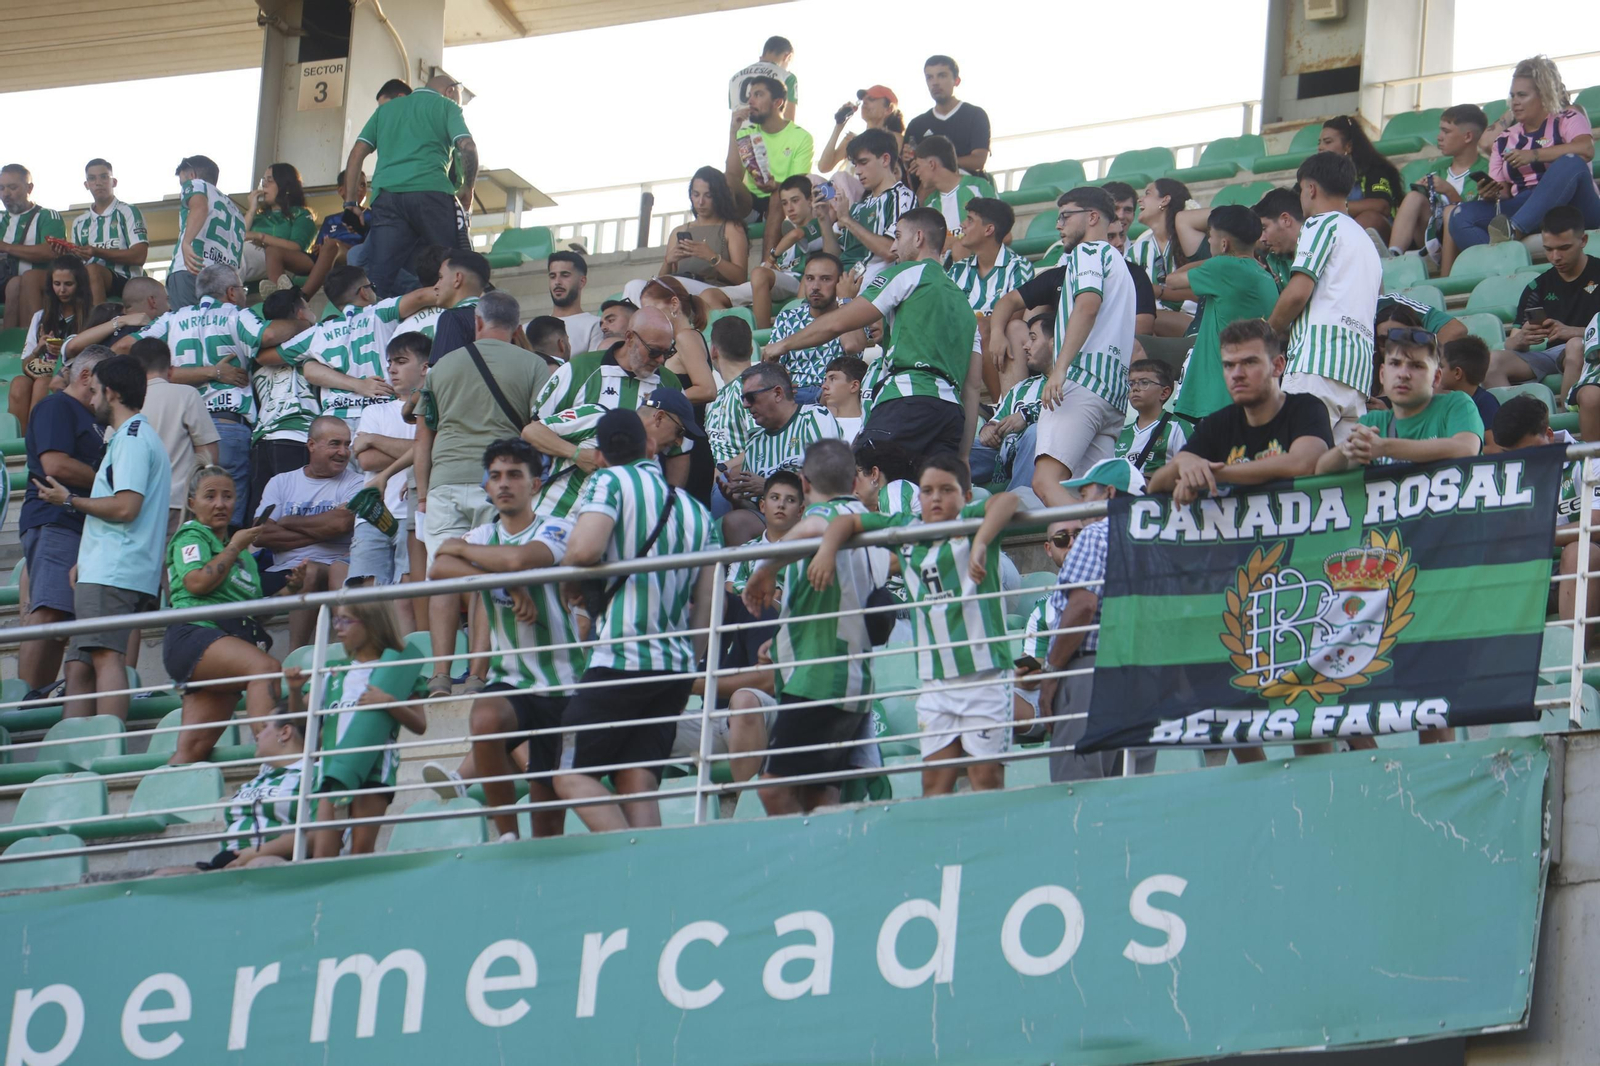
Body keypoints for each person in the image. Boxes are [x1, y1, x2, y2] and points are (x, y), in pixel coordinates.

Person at [814, 454, 1021, 794]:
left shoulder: (971, 522)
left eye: (946, 489)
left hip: (984, 677)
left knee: (986, 781)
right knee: (934, 784)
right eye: (927, 490)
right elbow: (846, 523)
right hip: (935, 682)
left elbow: (1008, 499)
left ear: (966, 497)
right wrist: (827, 550)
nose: (935, 497)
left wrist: (981, 542)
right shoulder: (907, 529)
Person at [555, 408, 718, 832]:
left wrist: (567, 579)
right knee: (637, 780)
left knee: (569, 773)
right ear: (649, 446)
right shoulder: (697, 511)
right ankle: (651, 874)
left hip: (621, 658)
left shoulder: (608, 481)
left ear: (601, 455)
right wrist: (690, 661)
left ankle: (626, 858)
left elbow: (585, 550)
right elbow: (706, 603)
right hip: (676, 667)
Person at [427, 438, 586, 841]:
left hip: (563, 684)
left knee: (548, 818)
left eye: (515, 475)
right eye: (495, 475)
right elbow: (439, 566)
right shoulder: (483, 534)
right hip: (512, 677)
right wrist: (505, 585)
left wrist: (496, 571)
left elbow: (518, 559)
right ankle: (506, 835)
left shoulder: (557, 527)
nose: (503, 484)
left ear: (536, 484)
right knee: (485, 720)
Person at [417, 291, 552, 694]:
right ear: (517, 326)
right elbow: (542, 428)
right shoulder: (534, 365)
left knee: (442, 576)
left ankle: (440, 674)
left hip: (444, 481)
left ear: (477, 321)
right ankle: (477, 676)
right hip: (498, 483)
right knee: (487, 578)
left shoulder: (441, 368)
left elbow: (424, 436)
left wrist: (423, 494)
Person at [739, 439, 884, 814]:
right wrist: (784, 637)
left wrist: (764, 570)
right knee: (821, 794)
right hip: (848, 677)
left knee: (772, 789)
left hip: (818, 680)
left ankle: (802, 868)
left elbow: (815, 527)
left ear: (804, 484)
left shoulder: (827, 517)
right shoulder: (861, 518)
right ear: (855, 480)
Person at [769, 208, 982, 460]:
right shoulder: (965, 304)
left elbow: (837, 323)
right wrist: (964, 457)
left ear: (918, 238)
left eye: (899, 236)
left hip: (907, 399)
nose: (893, 247)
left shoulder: (906, 274)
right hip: (950, 413)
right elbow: (973, 387)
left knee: (861, 473)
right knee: (927, 495)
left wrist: (783, 344)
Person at [31, 355, 170, 720]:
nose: (90, 401)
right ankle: (76, 748)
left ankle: (106, 744)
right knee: (78, 667)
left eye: (94, 393)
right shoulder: (129, 437)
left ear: (111, 392)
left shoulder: (134, 439)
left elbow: (125, 508)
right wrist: (86, 561)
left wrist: (69, 499)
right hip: (105, 567)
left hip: (116, 569)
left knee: (106, 657)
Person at [131, 263, 309, 526]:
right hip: (226, 426)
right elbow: (268, 334)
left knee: (185, 518)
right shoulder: (236, 315)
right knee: (222, 521)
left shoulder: (172, 318)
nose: (244, 295)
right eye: (243, 289)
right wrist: (302, 323)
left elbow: (128, 348)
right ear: (231, 292)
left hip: (181, 430)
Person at [163, 466, 304, 764]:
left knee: (194, 748)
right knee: (265, 669)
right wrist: (235, 545)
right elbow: (197, 582)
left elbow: (256, 613)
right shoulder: (192, 535)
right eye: (210, 496)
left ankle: (165, 801)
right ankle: (276, 763)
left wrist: (291, 590)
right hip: (194, 635)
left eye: (228, 496)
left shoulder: (243, 559)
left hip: (226, 643)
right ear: (192, 504)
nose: (220, 504)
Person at [1042, 458, 1155, 782]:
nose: (1080, 503)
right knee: (1130, 797)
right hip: (1145, 678)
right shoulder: (1158, 541)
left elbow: (1083, 606)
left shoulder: (1095, 533)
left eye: (1085, 493)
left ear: (1108, 493)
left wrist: (1051, 673)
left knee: (1078, 793)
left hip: (1093, 672)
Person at [287, 602, 427, 858]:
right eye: (336, 621)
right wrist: (295, 690)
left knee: (361, 849)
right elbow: (299, 719)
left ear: (371, 625)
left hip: (375, 770)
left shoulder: (395, 670)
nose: (338, 630)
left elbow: (420, 724)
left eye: (346, 621)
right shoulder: (333, 673)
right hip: (331, 771)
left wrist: (389, 703)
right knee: (322, 853)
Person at [1147, 320, 1333, 506]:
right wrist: (1184, 463)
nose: (1237, 374)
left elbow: (1303, 463)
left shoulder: (1306, 408)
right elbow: (1156, 486)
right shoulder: (1218, 423)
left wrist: (1212, 475)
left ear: (1277, 365)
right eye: (1229, 365)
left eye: (1249, 362)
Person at [1031, 187, 1139, 508]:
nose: (1058, 225)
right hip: (1113, 394)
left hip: (1082, 382)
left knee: (1045, 481)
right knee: (1088, 496)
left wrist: (1059, 368)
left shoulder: (1088, 253)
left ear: (1092, 217)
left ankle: (1081, 547)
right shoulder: (1122, 266)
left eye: (1065, 216)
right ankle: (1098, 549)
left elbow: (1087, 306)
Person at [1269, 152, 1382, 445]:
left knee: (1295, 457)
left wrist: (1268, 331)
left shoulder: (1320, 224)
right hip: (1356, 372)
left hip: (1315, 363)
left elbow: (1298, 292)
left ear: (1310, 188)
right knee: (1341, 473)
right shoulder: (1365, 241)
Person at [16, 346, 110, 701]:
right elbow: (54, 465)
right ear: (86, 376)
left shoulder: (93, 419)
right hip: (56, 520)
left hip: (77, 522)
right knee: (52, 613)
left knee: (61, 618)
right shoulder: (58, 406)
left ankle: (36, 697)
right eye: (102, 384)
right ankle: (27, 704)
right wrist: (107, 482)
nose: (106, 395)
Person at [343, 74, 478, 299]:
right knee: (453, 265)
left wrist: (350, 202)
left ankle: (380, 327)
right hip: (432, 194)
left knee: (379, 278)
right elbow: (467, 147)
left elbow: (357, 152)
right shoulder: (447, 106)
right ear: (450, 91)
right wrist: (468, 188)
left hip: (387, 200)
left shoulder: (385, 111)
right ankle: (453, 322)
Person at [1451, 55, 1600, 249]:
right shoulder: (1504, 139)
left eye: (1522, 95)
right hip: (1524, 204)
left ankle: (1514, 231)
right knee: (1460, 216)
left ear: (1543, 95)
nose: (1515, 102)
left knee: (1571, 161)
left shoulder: (1568, 118)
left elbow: (1586, 149)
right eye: (1512, 96)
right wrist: (1491, 193)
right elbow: (1503, 192)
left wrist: (1534, 155)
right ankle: (1500, 265)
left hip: (1575, 207)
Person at [273, 263, 442, 427]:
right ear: (364, 293)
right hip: (380, 413)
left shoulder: (317, 332)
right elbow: (421, 297)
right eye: (372, 286)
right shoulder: (381, 312)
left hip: (335, 421)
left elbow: (268, 356)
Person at [1493, 396, 1600, 651]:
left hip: (1591, 569)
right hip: (1544, 577)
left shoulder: (1591, 459)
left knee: (1578, 551)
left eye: (1529, 451)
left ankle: (1572, 661)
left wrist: (1535, 534)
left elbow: (1596, 522)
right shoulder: (1503, 477)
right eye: (1511, 454)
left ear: (1549, 435)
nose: (1522, 461)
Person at [1159, 205, 1282, 425]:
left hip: (1218, 395)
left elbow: (1173, 280)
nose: (1208, 243)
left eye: (1210, 237)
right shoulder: (1263, 275)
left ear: (1224, 244)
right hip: (1252, 392)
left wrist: (1217, 259)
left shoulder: (1222, 266)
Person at [253, 416, 366, 647]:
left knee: (309, 570)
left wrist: (288, 520)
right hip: (281, 571)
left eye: (347, 444)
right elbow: (260, 534)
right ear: (312, 445)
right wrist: (323, 528)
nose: (343, 452)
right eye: (335, 444)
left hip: (333, 568)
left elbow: (340, 525)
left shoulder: (357, 483)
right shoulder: (281, 482)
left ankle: (295, 654)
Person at [1315, 325, 1483, 474]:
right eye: (1395, 364)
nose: (1403, 374)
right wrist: (1346, 449)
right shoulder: (1373, 422)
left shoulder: (1456, 404)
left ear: (1436, 377)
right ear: (1382, 374)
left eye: (1417, 366)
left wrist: (1385, 448)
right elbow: (1322, 470)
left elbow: (1466, 448)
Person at [347, 332, 428, 609]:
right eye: (390, 362)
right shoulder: (375, 411)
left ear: (425, 366)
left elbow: (430, 450)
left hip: (414, 516)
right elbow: (367, 460)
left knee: (407, 597)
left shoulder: (432, 410)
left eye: (401, 361)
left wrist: (374, 439)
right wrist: (416, 449)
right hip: (372, 515)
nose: (392, 369)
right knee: (367, 599)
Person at [1485, 206, 1600, 397]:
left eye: (1564, 248)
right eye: (1549, 249)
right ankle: (1515, 421)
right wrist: (1522, 339)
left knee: (1575, 345)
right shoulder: (1537, 286)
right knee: (1492, 362)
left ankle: (1565, 418)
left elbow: (1576, 340)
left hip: (1589, 350)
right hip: (1551, 355)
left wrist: (1574, 332)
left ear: (1583, 241)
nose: (1555, 257)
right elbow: (1513, 342)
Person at [722, 363, 843, 537]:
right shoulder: (755, 443)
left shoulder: (814, 417)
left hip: (815, 517)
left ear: (777, 393)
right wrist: (737, 500)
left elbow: (829, 479)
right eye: (743, 399)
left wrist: (768, 486)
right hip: (773, 528)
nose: (745, 405)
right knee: (736, 521)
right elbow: (758, 508)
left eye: (750, 397)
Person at [703, 174, 821, 328]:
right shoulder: (787, 237)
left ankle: (762, 337)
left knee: (759, 273)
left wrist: (771, 258)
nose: (789, 208)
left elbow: (796, 235)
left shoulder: (817, 224)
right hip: (773, 280)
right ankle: (737, 336)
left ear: (810, 200)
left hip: (797, 281)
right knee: (709, 295)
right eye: (784, 203)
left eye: (795, 200)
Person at [129, 337, 219, 537]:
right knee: (177, 566)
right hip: (179, 503)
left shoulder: (125, 402)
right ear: (170, 370)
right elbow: (210, 457)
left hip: (134, 504)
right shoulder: (186, 394)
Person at [625, 168, 749, 305]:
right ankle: (639, 325)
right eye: (696, 195)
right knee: (634, 286)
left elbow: (740, 279)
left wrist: (711, 257)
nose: (700, 202)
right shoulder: (679, 230)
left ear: (719, 196)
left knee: (675, 283)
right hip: (678, 286)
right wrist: (668, 261)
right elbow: (660, 281)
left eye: (708, 196)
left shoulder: (731, 228)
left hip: (713, 290)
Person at [948, 198, 1033, 397]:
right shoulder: (958, 269)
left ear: (988, 230)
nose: (962, 225)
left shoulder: (1019, 267)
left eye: (969, 220)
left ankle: (1000, 404)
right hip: (958, 343)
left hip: (998, 343)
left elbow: (1014, 319)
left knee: (985, 328)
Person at [1386, 105, 1489, 259]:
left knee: (1452, 213)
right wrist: (1423, 191)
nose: (1439, 137)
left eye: (1446, 131)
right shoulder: (1438, 168)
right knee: (1414, 197)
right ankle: (1392, 255)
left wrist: (1449, 191)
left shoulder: (1486, 170)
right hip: (1431, 238)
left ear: (1467, 137)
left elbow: (1475, 218)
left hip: (1465, 239)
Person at [817, 128, 916, 288]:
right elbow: (833, 258)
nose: (857, 171)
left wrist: (847, 220)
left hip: (873, 292)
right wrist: (823, 219)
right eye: (855, 165)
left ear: (885, 160)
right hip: (842, 287)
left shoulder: (902, 197)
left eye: (863, 163)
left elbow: (891, 252)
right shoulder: (858, 207)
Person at [725, 76, 814, 249]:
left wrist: (776, 186)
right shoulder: (746, 133)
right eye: (750, 95)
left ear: (778, 102)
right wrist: (733, 132)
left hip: (782, 202)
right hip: (750, 204)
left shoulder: (801, 137)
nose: (750, 101)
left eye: (758, 95)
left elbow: (799, 185)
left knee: (778, 194)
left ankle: (767, 266)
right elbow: (732, 177)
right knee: (718, 181)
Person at [7, 255, 94, 430]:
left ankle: (35, 440)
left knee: (42, 384)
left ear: (80, 285)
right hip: (43, 371)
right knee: (19, 383)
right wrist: (39, 348)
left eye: (68, 284)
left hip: (74, 376)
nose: (62, 290)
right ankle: (18, 446)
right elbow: (25, 364)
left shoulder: (91, 316)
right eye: (57, 284)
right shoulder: (40, 316)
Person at [970, 308, 1052, 493]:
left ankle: (1019, 501)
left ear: (1053, 343)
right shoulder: (1022, 388)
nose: (1026, 346)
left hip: (1044, 455)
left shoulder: (1071, 381)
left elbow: (1066, 412)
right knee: (953, 447)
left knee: (1034, 432)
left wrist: (1026, 416)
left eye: (1033, 338)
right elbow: (995, 421)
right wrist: (988, 430)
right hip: (1002, 454)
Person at [764, 252, 856, 402]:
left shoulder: (853, 312)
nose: (815, 287)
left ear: (839, 283)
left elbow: (852, 345)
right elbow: (773, 363)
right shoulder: (788, 317)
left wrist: (845, 301)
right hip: (794, 396)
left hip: (831, 396)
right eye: (809, 278)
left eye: (825, 279)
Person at [165, 156, 246, 311]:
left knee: (188, 329)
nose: (183, 188)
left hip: (193, 268)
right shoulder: (236, 211)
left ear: (192, 175)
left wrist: (187, 242)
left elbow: (200, 207)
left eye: (182, 182)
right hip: (225, 280)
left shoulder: (197, 185)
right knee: (217, 331)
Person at [1128, 178, 1206, 334]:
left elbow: (1204, 292)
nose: (1140, 200)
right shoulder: (1138, 248)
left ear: (1165, 200)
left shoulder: (1191, 240)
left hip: (1194, 320)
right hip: (1153, 322)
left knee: (1135, 320)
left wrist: (1157, 291)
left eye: (1148, 193)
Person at [70, 159, 149, 304]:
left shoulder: (128, 211)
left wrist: (97, 252)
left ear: (114, 182)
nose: (98, 182)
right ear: (86, 185)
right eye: (92, 178)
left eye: (104, 177)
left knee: (93, 270)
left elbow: (139, 256)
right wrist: (64, 253)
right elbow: (77, 263)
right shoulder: (79, 223)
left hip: (128, 282)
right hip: (90, 280)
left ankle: (98, 323)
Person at [0, 164, 67, 330]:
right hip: (4, 282)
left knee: (21, 281)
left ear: (29, 187)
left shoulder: (47, 216)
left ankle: (26, 343)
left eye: (12, 187)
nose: (5, 194)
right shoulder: (2, 220)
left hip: (39, 283)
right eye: (1, 188)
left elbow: (49, 251)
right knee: (15, 283)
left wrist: (6, 247)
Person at [1317, 116, 1404, 243]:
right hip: (1337, 236)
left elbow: (1382, 206)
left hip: (1383, 236)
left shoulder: (1373, 169)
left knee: (1370, 217)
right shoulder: (1314, 178)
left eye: (1328, 142)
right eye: (1319, 143)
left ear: (1348, 146)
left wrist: (1337, 207)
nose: (1320, 147)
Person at [240, 163, 317, 300]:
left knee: (239, 256)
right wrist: (252, 209)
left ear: (285, 185)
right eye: (263, 181)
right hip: (251, 265)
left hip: (281, 262)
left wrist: (260, 236)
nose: (264, 185)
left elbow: (297, 247)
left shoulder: (301, 214)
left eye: (270, 180)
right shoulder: (258, 217)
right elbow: (240, 237)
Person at [905, 55, 991, 173]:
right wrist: (906, 161)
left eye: (942, 76)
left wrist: (937, 164)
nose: (935, 82)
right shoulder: (916, 125)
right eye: (929, 77)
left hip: (967, 186)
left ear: (957, 80)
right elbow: (909, 168)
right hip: (928, 189)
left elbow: (978, 161)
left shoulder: (975, 115)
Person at [914, 136, 997, 252]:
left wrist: (955, 241)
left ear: (932, 164)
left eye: (918, 166)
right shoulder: (930, 205)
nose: (916, 173)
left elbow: (1003, 235)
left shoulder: (978, 188)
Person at [299, 168, 370, 301]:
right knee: (274, 251)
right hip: (330, 254)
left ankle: (303, 297)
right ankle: (279, 290)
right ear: (341, 191)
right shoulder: (330, 219)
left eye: (363, 185)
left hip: (355, 254)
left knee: (331, 245)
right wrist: (319, 248)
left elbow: (371, 243)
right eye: (355, 184)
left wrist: (336, 245)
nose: (360, 188)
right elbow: (318, 247)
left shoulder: (371, 215)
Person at [1115, 359, 1188, 479]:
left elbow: (1189, 472)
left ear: (1164, 393)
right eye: (1131, 383)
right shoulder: (1120, 433)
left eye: (1144, 382)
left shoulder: (1177, 427)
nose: (1135, 389)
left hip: (1159, 496)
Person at [422, 249, 492, 366]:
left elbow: (443, 373)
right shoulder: (499, 319)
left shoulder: (452, 318)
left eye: (440, 277)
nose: (436, 286)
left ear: (457, 279)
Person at [705, 315, 757, 467]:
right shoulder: (720, 395)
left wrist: (721, 470)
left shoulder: (750, 387)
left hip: (736, 482)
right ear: (751, 350)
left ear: (713, 351)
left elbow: (762, 445)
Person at [817, 86, 904, 176]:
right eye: (863, 100)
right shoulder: (853, 140)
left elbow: (885, 169)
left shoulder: (895, 138)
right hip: (845, 189)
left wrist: (859, 144)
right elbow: (823, 167)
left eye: (871, 99)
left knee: (840, 177)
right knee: (813, 179)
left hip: (871, 189)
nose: (864, 102)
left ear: (888, 109)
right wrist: (838, 126)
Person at [1438, 335, 1501, 446]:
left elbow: (1495, 448)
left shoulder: (1485, 402)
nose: (1436, 371)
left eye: (1441, 366)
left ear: (1457, 373)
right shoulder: (1448, 401)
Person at [545, 250, 605, 355]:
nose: (557, 282)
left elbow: (592, 369)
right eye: (552, 276)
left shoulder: (595, 325)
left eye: (565, 275)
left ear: (582, 281)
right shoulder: (528, 328)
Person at [728, 36, 798, 119]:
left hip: (740, 131)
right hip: (768, 131)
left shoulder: (735, 78)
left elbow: (734, 113)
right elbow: (789, 120)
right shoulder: (787, 77)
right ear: (787, 56)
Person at [1253, 186, 1304, 289]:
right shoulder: (1274, 259)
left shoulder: (1320, 247)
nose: (1262, 238)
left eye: (1264, 228)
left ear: (1285, 220)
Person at [819, 354, 866, 442]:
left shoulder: (869, 426)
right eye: (825, 380)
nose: (824, 386)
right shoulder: (818, 425)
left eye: (832, 379)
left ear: (854, 386)